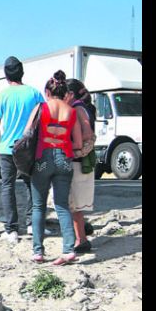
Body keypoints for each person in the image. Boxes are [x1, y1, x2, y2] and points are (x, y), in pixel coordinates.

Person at [25, 70, 83, 265]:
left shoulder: (41, 107)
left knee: (38, 206)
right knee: (61, 205)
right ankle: (68, 250)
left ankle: (38, 252)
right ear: (64, 92)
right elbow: (79, 144)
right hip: (64, 158)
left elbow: (27, 133)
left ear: (47, 92)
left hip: (42, 158)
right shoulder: (71, 111)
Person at [0, 56, 46, 244]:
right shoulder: (35, 94)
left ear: (6, 75)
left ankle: (11, 229)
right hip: (29, 148)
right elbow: (42, 120)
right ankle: (32, 224)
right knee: (32, 185)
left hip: (8, 148)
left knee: (8, 187)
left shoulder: (1, 96)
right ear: (22, 72)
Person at [65, 78, 96, 253]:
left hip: (77, 161)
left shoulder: (76, 109)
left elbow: (87, 133)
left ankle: (81, 239)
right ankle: (82, 232)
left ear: (70, 94)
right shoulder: (85, 107)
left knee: (74, 204)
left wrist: (71, 144)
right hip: (84, 161)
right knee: (76, 204)